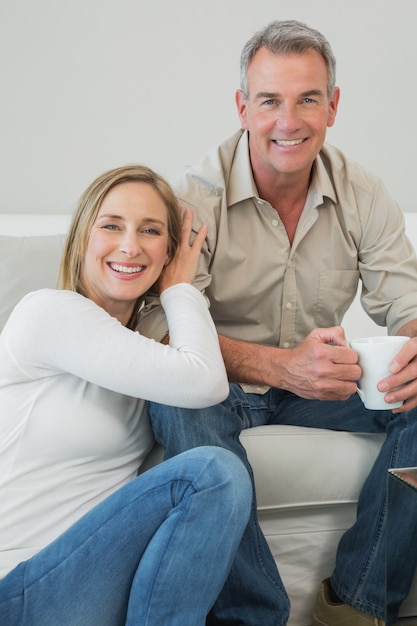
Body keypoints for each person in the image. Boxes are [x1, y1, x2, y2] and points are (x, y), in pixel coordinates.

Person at [138, 20, 417, 626]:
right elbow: (160, 331)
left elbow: (406, 302)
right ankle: (254, 615)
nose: (288, 122)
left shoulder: (365, 193)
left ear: (333, 106)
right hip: (219, 384)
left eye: (308, 99)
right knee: (176, 404)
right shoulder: (191, 197)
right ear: (243, 107)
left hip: (319, 387)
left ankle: (356, 602)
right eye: (269, 100)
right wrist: (282, 366)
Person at [0, 164, 252, 626]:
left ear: (167, 251)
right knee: (212, 473)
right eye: (111, 225)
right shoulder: (48, 313)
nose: (131, 245)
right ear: (82, 239)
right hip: (19, 589)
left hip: (88, 584)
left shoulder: (141, 356)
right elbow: (206, 380)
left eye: (150, 230)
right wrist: (180, 286)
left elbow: (198, 382)